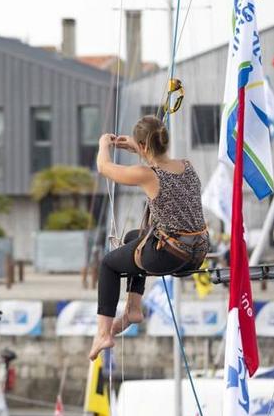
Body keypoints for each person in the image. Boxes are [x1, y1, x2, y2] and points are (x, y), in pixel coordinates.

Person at [89, 115, 209, 360]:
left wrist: (103, 144)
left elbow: (104, 168)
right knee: (134, 237)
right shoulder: (187, 166)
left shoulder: (148, 175)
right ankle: (133, 308)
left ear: (144, 146)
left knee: (109, 264)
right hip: (197, 252)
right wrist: (137, 146)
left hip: (170, 254)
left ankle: (103, 333)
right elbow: (158, 159)